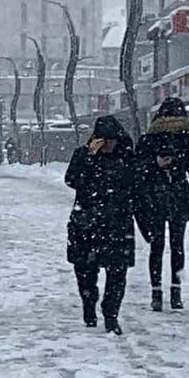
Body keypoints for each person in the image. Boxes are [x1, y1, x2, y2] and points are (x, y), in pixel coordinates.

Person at [66, 115, 140, 335]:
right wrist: (89, 156)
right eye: (103, 140)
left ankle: (111, 315)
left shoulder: (126, 157)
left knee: (118, 273)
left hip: (117, 224)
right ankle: (89, 305)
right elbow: (73, 180)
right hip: (86, 223)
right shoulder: (83, 155)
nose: (108, 145)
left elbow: (135, 187)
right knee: (85, 272)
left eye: (112, 140)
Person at [134, 98, 189, 312]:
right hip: (175, 194)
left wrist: (153, 165)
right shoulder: (185, 139)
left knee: (158, 247)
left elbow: (138, 167)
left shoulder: (149, 138)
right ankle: (174, 292)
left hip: (158, 195)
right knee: (177, 246)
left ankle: (158, 293)